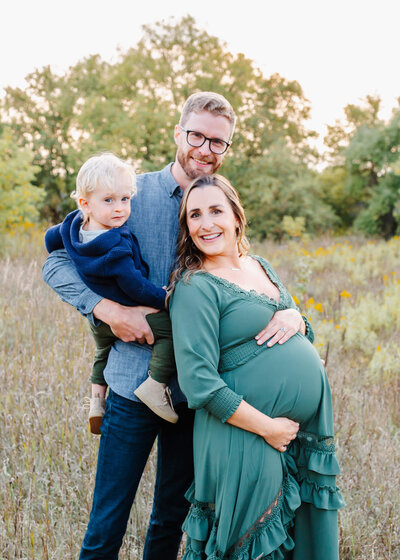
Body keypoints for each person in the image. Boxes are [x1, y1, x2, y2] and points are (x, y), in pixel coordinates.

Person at [42, 91, 312, 560]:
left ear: (227, 148)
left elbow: (247, 274)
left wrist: (292, 311)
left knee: (170, 519)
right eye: (197, 136)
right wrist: (106, 309)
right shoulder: (128, 192)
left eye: (218, 142)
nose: (206, 149)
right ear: (178, 133)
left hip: (198, 397)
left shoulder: (218, 207)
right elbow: (57, 261)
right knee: (107, 522)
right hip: (132, 386)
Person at [168, 174, 345, 560]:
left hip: (298, 434)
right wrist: (269, 428)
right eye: (194, 215)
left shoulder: (260, 265)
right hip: (245, 432)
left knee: (303, 540)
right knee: (249, 544)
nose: (206, 223)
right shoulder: (194, 287)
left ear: (236, 216)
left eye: (216, 210)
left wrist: (297, 318)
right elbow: (198, 383)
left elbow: (298, 330)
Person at [44, 152, 178, 432]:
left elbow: (50, 239)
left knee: (102, 351)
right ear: (85, 203)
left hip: (99, 322)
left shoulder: (72, 226)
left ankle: (96, 400)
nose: (119, 209)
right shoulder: (115, 247)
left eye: (125, 199)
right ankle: (155, 385)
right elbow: (134, 286)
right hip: (126, 309)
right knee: (172, 332)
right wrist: (163, 298)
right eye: (109, 200)